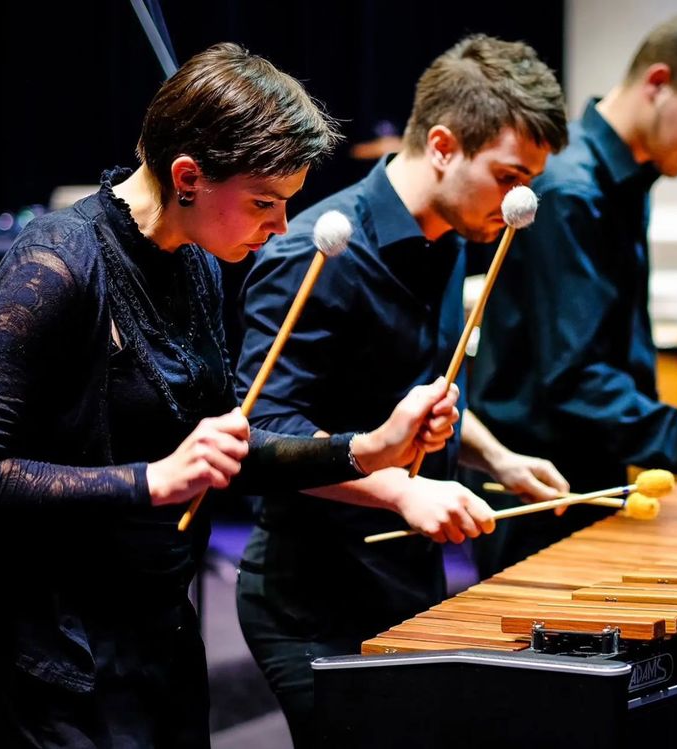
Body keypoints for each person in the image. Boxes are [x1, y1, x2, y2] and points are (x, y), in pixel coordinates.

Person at [0, 42, 460, 748]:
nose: (280, 227)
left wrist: (364, 449)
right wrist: (152, 479)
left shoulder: (196, 262)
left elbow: (222, 450)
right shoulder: (54, 265)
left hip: (154, 619)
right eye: (264, 203)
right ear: (188, 176)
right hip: (50, 644)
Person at [234, 33, 570, 746]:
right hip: (310, 604)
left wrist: (497, 458)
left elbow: (427, 394)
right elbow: (260, 441)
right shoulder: (316, 256)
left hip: (405, 585)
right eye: (509, 176)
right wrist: (399, 490)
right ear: (444, 146)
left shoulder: (449, 236)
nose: (522, 201)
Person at [469, 12, 677, 576]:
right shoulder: (569, 189)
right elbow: (575, 378)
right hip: (540, 487)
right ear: (658, 84)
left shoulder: (628, 181)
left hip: (591, 472)